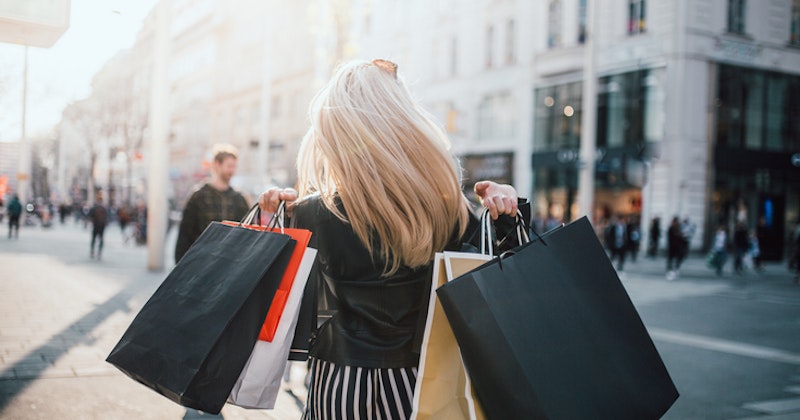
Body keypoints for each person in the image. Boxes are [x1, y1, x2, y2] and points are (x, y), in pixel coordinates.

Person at [257, 59, 527, 420]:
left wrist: (276, 218)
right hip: (421, 381)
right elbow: (504, 276)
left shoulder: (311, 212)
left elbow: (277, 298)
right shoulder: (444, 207)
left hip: (338, 383)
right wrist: (507, 210)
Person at [174, 143, 250, 263]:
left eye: (234, 166)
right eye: (229, 166)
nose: (232, 170)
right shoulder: (198, 196)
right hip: (201, 263)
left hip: (230, 264)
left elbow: (247, 236)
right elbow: (185, 235)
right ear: (216, 165)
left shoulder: (240, 199)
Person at [88, 195, 109, 259]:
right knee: (101, 239)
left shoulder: (94, 208)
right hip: (102, 226)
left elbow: (90, 216)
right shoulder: (104, 208)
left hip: (96, 226)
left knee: (94, 239)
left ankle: (92, 251)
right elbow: (107, 218)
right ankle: (99, 252)